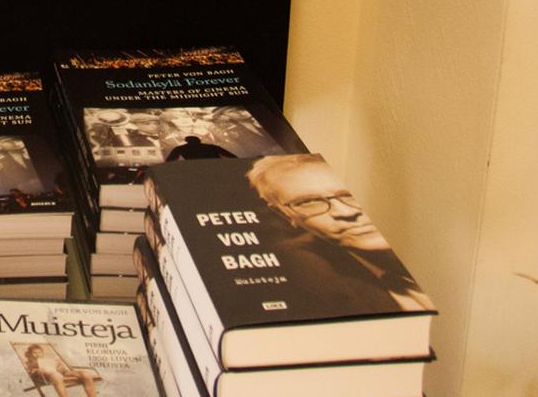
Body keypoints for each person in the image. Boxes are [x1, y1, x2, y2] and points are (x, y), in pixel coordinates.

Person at [246, 153, 436, 313]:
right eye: (308, 202)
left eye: (351, 194)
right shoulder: (306, 280)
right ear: (285, 215)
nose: (346, 212)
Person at [20, 340, 117, 397]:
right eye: (34, 353)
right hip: (46, 376)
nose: (37, 354)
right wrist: (37, 370)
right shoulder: (30, 362)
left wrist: (61, 366)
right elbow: (32, 372)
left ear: (42, 352)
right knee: (57, 376)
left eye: (39, 352)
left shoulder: (50, 360)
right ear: (30, 354)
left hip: (59, 373)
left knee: (85, 374)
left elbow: (62, 370)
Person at [165, 133, 235, 161]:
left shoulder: (180, 149)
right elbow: (231, 156)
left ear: (187, 141)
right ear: (199, 141)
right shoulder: (212, 147)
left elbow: (170, 161)